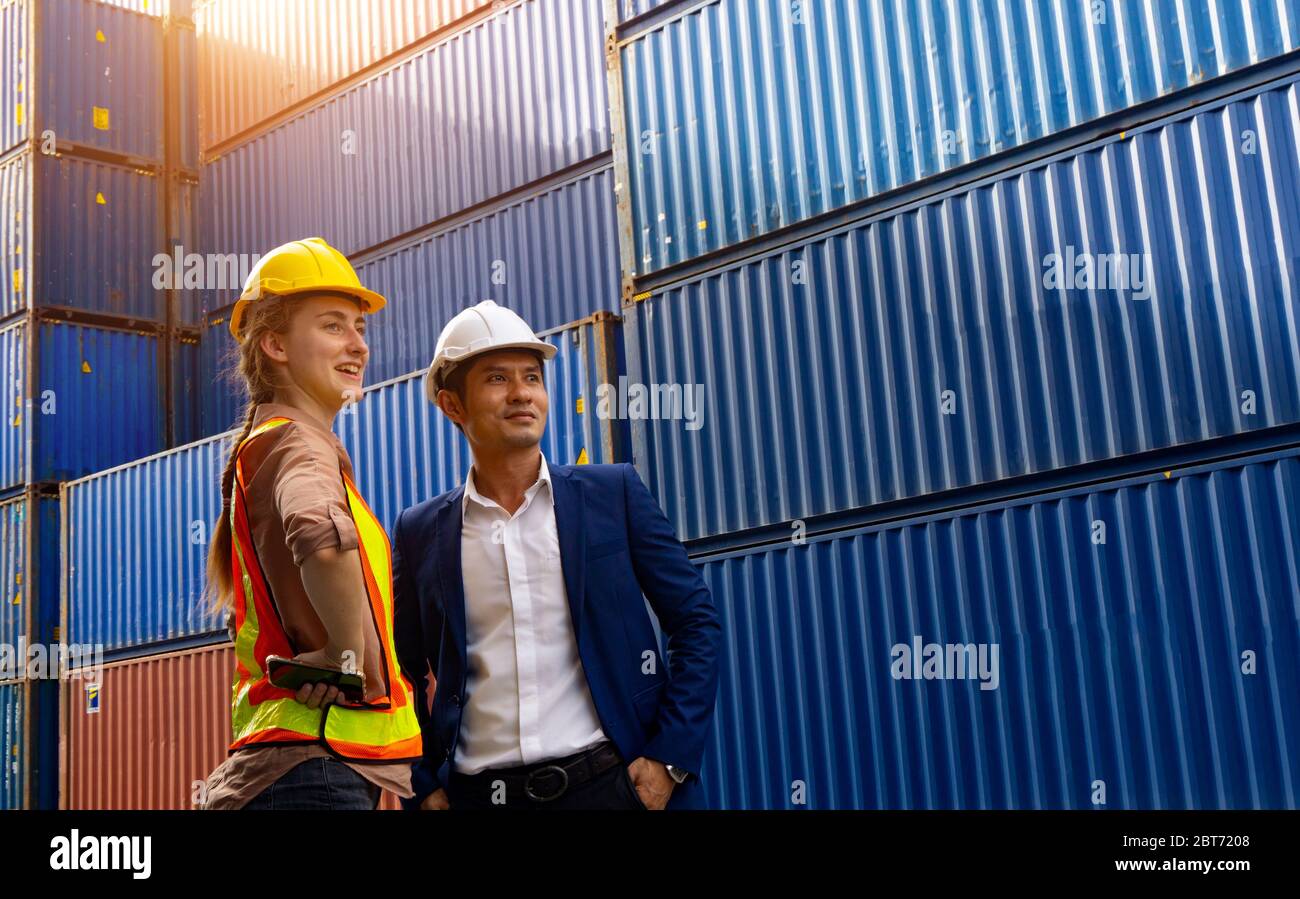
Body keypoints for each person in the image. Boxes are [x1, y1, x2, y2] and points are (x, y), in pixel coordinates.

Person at [392, 300, 721, 810]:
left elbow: (696, 621)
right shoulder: (419, 533)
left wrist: (669, 759)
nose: (523, 393)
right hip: (480, 796)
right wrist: (422, 783)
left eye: (532, 377)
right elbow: (400, 671)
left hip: (615, 788)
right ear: (451, 405)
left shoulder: (614, 494)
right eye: (497, 378)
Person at [200, 238, 422, 810]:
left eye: (359, 327)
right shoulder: (297, 443)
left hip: (295, 768)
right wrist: (344, 656)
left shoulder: (267, 446)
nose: (358, 345)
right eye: (333, 326)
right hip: (312, 773)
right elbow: (322, 540)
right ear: (274, 344)